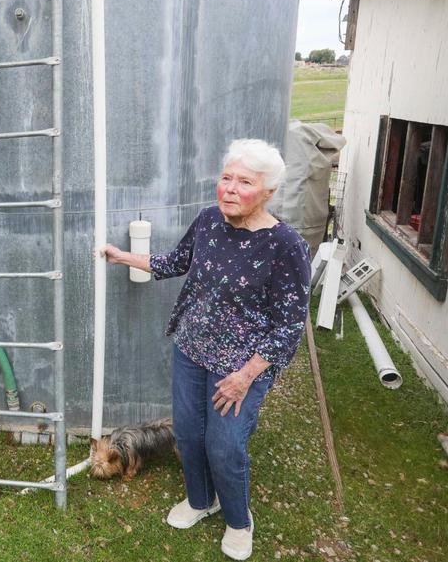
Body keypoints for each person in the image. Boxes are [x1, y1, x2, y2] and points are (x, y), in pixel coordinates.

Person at [100, 138, 311, 561]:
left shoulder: (285, 245)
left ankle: (238, 520)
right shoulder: (209, 220)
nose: (230, 189)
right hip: (191, 350)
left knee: (225, 446)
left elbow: (289, 325)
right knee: (189, 435)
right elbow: (177, 261)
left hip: (240, 366)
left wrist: (245, 377)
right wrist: (122, 257)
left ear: (268, 192)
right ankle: (201, 500)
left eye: (245, 182)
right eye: (226, 177)